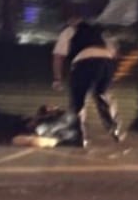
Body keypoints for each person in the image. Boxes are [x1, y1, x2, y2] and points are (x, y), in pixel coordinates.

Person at [52, 8, 123, 145]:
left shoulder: (69, 31)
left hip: (84, 62)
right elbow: (115, 52)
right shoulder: (100, 31)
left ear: (72, 20)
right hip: (106, 61)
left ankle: (79, 135)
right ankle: (115, 128)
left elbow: (58, 57)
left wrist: (57, 78)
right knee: (103, 95)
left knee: (78, 99)